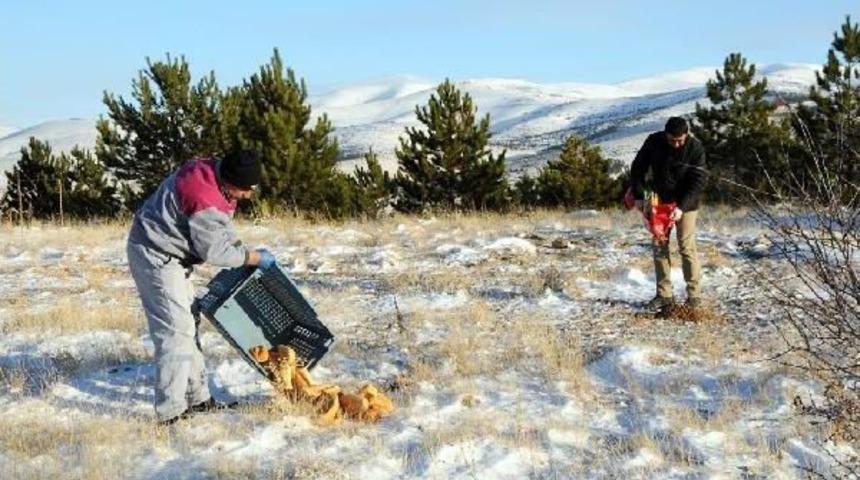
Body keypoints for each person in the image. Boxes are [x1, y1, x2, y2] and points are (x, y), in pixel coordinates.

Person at [126, 149, 276, 425]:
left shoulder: (214, 174)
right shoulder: (202, 195)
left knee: (188, 325)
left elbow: (221, 224)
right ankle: (170, 411)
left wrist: (240, 247)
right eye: (243, 189)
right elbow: (215, 252)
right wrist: (252, 257)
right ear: (229, 180)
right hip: (154, 254)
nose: (247, 195)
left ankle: (198, 398)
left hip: (174, 255)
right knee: (175, 330)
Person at [629, 117, 708, 310]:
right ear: (666, 135)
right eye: (672, 140)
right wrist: (639, 195)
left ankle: (694, 296)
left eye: (680, 140)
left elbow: (698, 181)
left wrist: (681, 207)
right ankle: (664, 295)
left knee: (686, 246)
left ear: (686, 135)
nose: (676, 144)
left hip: (686, 203)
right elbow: (637, 168)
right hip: (657, 200)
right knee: (659, 245)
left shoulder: (695, 148)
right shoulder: (653, 141)